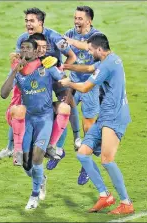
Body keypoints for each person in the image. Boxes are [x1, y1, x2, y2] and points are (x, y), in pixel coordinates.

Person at [59, 33, 134, 215]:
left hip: (115, 117)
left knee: (107, 161)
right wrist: (68, 66)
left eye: (91, 49)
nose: (89, 52)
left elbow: (85, 87)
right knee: (83, 154)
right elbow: (90, 68)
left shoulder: (107, 65)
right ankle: (104, 195)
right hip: (105, 116)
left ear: (99, 49)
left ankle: (126, 203)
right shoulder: (111, 58)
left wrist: (69, 82)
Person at [0, 7, 79, 160]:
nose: (28, 24)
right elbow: (22, 59)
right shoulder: (23, 39)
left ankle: (72, 139)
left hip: (52, 74)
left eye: (32, 21)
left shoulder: (54, 37)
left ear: (41, 22)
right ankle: (11, 148)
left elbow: (71, 56)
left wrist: (60, 69)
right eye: (26, 21)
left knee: (66, 102)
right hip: (33, 77)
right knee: (18, 105)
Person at [1, 38, 64, 209]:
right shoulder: (19, 72)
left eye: (28, 48)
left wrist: (64, 97)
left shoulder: (47, 67)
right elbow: (3, 94)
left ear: (36, 52)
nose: (24, 51)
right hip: (27, 120)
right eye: (22, 48)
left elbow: (64, 80)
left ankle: (34, 195)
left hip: (45, 119)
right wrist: (15, 71)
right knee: (25, 163)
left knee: (37, 158)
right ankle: (41, 179)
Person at [46, 6, 100, 185]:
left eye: (80, 19)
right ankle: (57, 150)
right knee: (63, 112)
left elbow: (95, 62)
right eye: (75, 18)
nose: (76, 22)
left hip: (91, 86)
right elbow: (62, 54)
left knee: (88, 127)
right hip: (73, 83)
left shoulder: (98, 37)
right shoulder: (69, 33)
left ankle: (85, 164)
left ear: (89, 20)